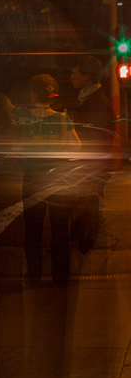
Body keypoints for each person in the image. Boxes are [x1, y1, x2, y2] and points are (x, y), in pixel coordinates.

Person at [12, 74, 81, 286]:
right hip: (57, 178)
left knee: (33, 230)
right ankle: (60, 277)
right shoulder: (62, 118)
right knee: (59, 228)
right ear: (52, 95)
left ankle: (33, 276)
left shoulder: (24, 117)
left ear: (33, 94)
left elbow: (8, 112)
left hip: (33, 179)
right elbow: (77, 146)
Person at [67, 55, 116, 250]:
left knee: (88, 207)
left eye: (74, 73)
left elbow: (97, 140)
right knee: (87, 205)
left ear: (86, 76)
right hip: (89, 166)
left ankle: (87, 245)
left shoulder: (97, 104)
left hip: (91, 167)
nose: (71, 77)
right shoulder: (86, 100)